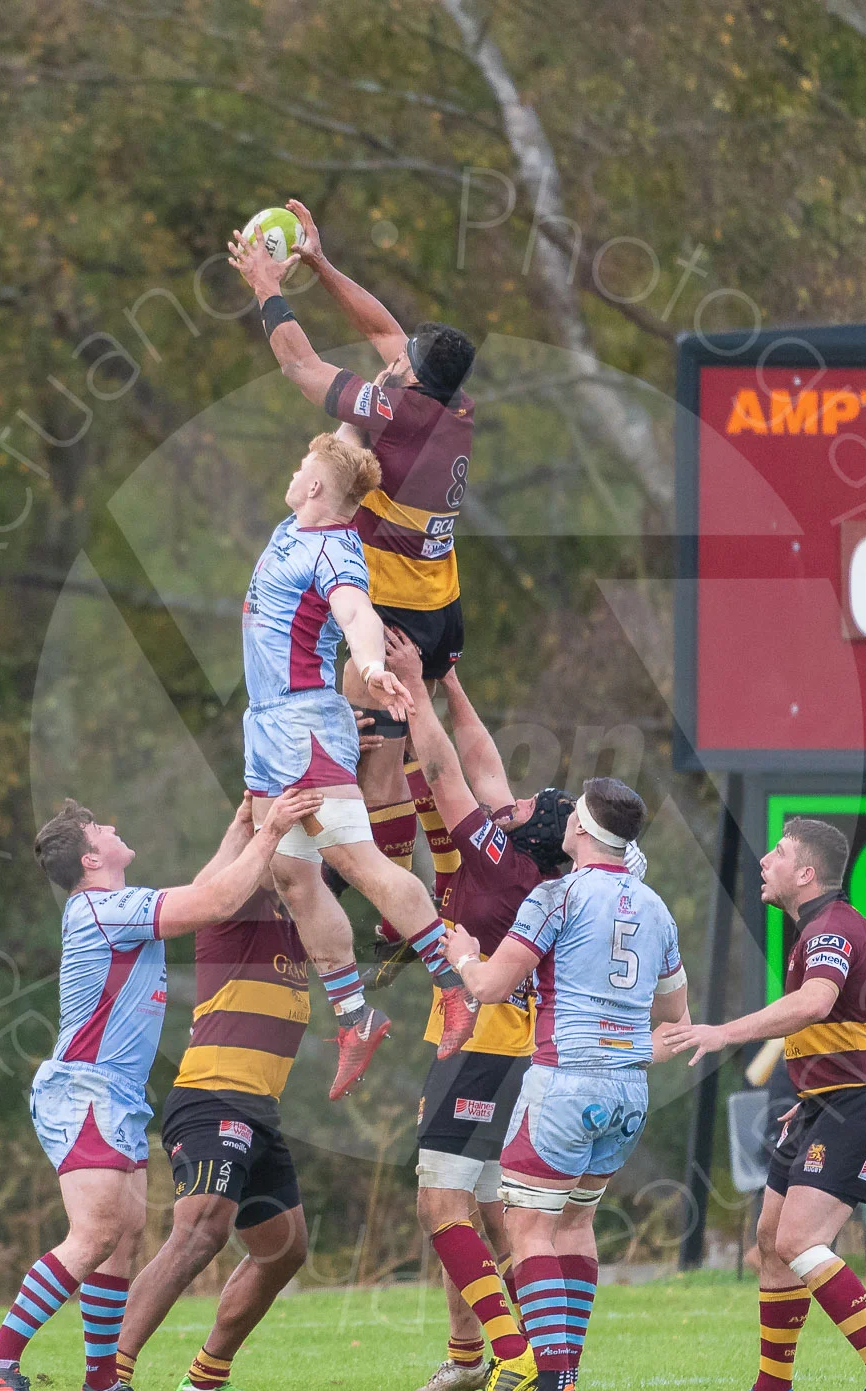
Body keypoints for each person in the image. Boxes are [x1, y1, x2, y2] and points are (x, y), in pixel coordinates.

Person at [0, 787, 321, 1391]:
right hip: (88, 1089)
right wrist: (271, 833)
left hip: (118, 1095)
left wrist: (242, 826)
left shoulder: (115, 905)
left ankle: (103, 1385)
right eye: (101, 826)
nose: (113, 824)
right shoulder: (104, 909)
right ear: (90, 860)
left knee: (123, 1238)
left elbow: (208, 895)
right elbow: (214, 900)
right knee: (97, 1232)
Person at [229, 210, 476, 972]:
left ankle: (400, 913)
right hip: (440, 604)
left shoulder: (397, 414)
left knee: (378, 763)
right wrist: (325, 265)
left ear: (410, 380)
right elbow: (386, 333)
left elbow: (301, 366)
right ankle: (421, 891)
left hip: (396, 609)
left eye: (400, 363)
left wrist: (269, 286)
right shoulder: (452, 404)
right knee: (406, 757)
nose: (389, 361)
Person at [443, 778, 691, 1391]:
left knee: (527, 1227)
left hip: (563, 1082)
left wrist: (465, 959)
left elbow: (495, 987)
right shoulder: (658, 908)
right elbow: (674, 1014)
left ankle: (553, 1386)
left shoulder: (557, 895)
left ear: (579, 827)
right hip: (629, 1091)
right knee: (575, 1225)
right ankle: (564, 1376)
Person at [239, 430, 470, 1102]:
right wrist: (373, 393)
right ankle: (354, 1015)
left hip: (304, 726)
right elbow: (339, 437)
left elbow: (356, 613)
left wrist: (369, 664)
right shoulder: (302, 516)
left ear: (315, 486)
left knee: (357, 865)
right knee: (288, 872)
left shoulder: (335, 551)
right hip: (266, 726)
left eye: (300, 466)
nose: (294, 469)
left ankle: (453, 987)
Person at [668, 817, 866, 1391]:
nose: (765, 862)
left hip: (862, 1104)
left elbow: (814, 1004)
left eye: (778, 854)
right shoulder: (811, 926)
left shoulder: (830, 928)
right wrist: (808, 1097)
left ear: (806, 874)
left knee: (799, 1241)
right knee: (770, 1243)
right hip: (824, 1104)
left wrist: (723, 1032)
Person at [381, 628, 575, 1391]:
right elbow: (486, 763)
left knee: (439, 1203)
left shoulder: (497, 859)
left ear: (531, 830)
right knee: (491, 1208)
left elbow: (447, 770)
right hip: (502, 1043)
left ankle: (512, 1352)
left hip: (483, 1043)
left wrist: (414, 690)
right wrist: (452, 684)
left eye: (528, 804)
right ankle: (489, 1354)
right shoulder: (531, 856)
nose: (514, 796)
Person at [114, 794, 312, 1391]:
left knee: (284, 1249)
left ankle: (206, 1378)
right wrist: (253, 822)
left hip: (258, 1109)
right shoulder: (234, 910)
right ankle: (108, 1378)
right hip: (210, 1097)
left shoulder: (302, 921)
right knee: (200, 1232)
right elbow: (214, 881)